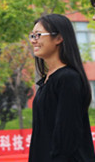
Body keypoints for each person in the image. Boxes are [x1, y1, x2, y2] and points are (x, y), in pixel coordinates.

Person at [28, 14, 95, 161]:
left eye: (38, 35)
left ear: (59, 38)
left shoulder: (68, 79)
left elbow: (67, 135)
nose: (33, 41)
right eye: (32, 35)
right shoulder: (47, 80)